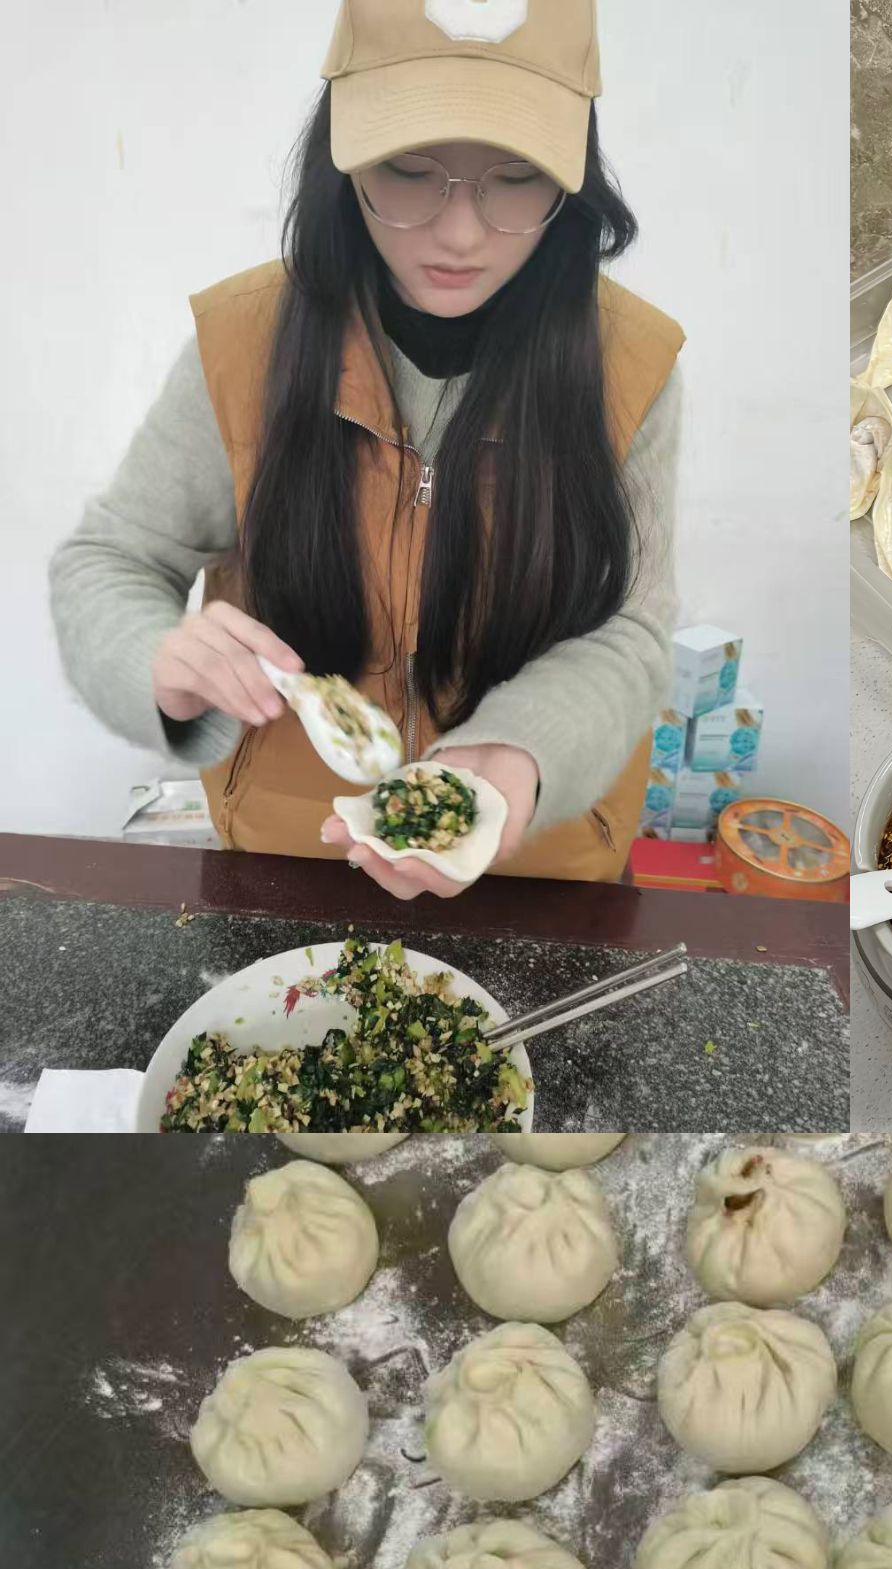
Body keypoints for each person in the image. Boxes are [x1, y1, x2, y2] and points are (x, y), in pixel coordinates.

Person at [50, 0, 683, 898]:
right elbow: (110, 560)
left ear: (573, 180)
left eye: (518, 177)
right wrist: (153, 654)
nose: (460, 233)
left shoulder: (631, 363)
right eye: (408, 171)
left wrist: (519, 750)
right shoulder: (243, 342)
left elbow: (631, 627)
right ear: (340, 160)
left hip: (540, 865)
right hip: (290, 860)